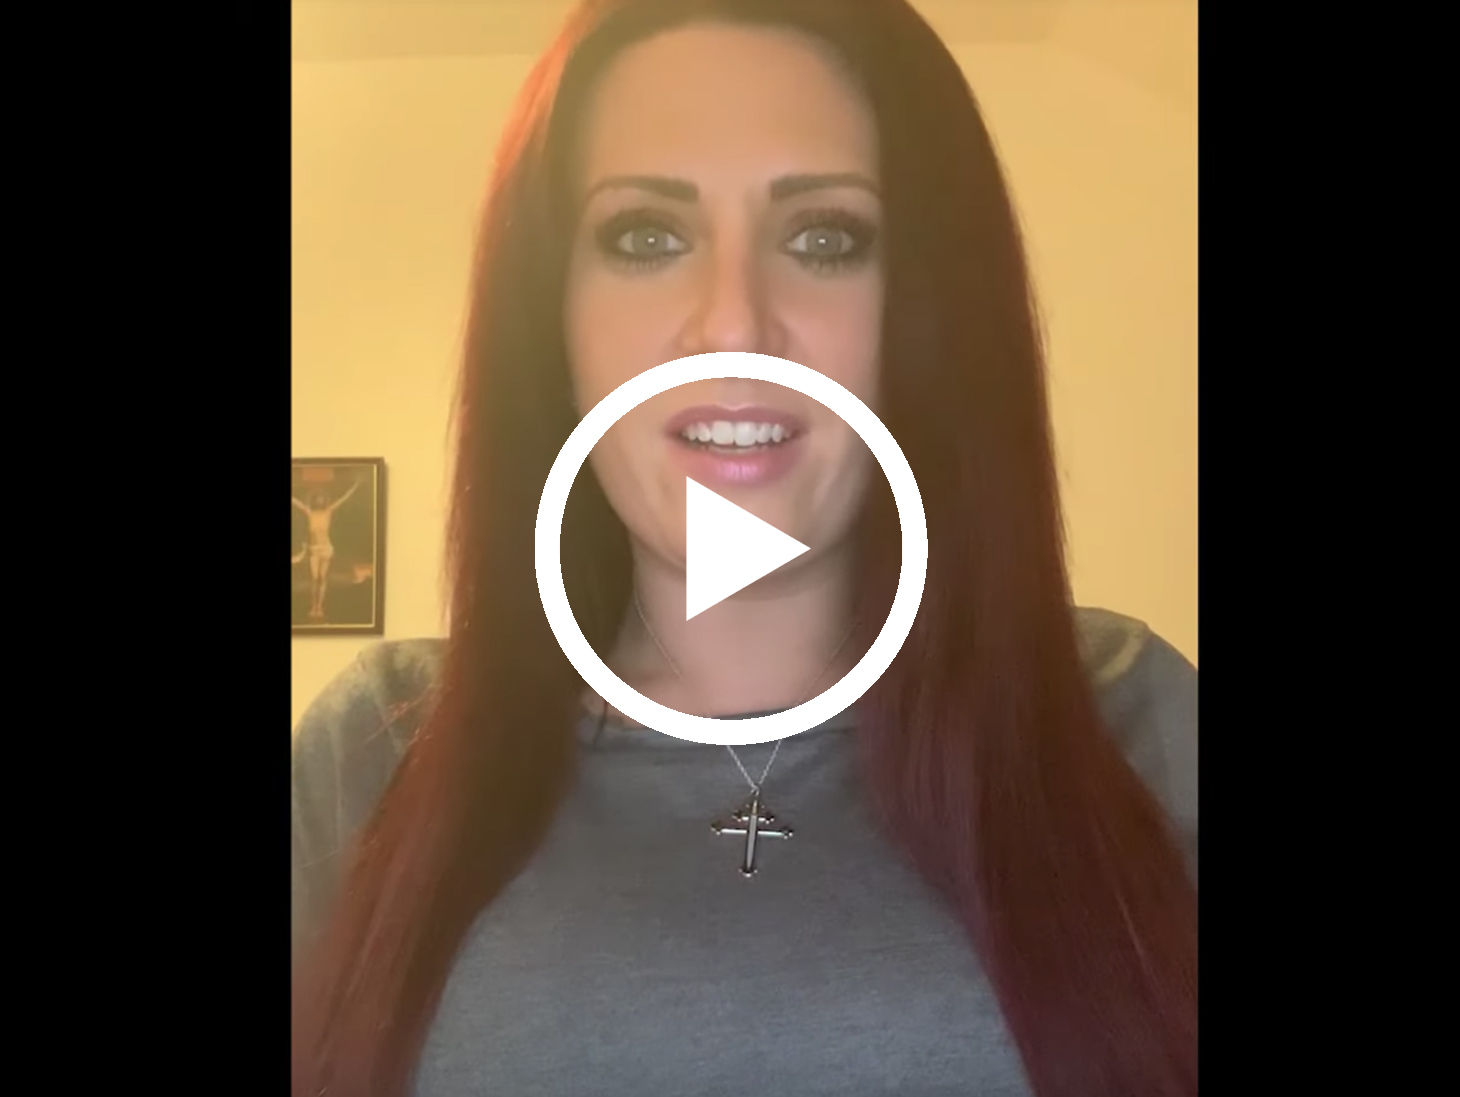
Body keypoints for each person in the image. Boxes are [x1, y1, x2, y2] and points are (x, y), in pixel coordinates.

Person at [291, 1, 1197, 1095]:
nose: (731, 325)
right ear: (551, 319)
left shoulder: (1134, 722)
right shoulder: (374, 751)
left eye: (825, 238)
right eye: (645, 237)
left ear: (927, 310)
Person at [292, 479, 361, 619]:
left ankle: (319, 607)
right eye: (317, 499)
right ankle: (313, 606)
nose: (319, 501)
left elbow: (343, 499)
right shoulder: (309, 513)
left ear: (324, 501)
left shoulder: (328, 512)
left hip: (326, 548)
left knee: (323, 579)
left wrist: (355, 486)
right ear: (314, 501)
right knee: (314, 579)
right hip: (314, 549)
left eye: (321, 499)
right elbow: (295, 502)